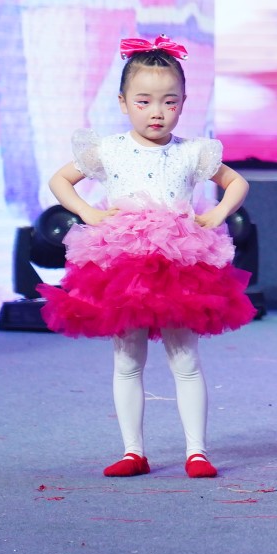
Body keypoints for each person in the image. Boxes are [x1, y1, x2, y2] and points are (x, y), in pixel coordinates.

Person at [39, 35, 254, 479]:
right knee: (127, 359)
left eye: (169, 102)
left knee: (185, 360)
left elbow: (237, 182)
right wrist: (87, 212)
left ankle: (197, 452)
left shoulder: (192, 151)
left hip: (180, 264)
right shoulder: (109, 149)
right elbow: (61, 180)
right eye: (144, 101)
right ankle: (132, 451)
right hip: (123, 267)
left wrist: (217, 214)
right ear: (123, 103)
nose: (157, 112)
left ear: (184, 103)